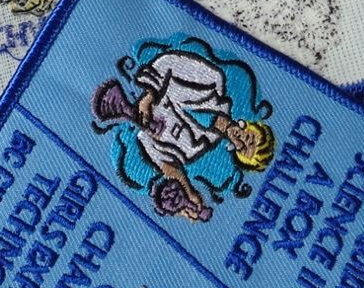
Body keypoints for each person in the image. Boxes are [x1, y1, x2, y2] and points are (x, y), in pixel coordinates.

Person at [93, 42, 276, 221]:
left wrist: (189, 193)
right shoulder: (213, 81)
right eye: (249, 137)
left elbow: (166, 163)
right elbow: (172, 62)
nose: (241, 139)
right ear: (247, 125)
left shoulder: (195, 149)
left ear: (236, 153)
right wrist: (149, 96)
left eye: (243, 148)